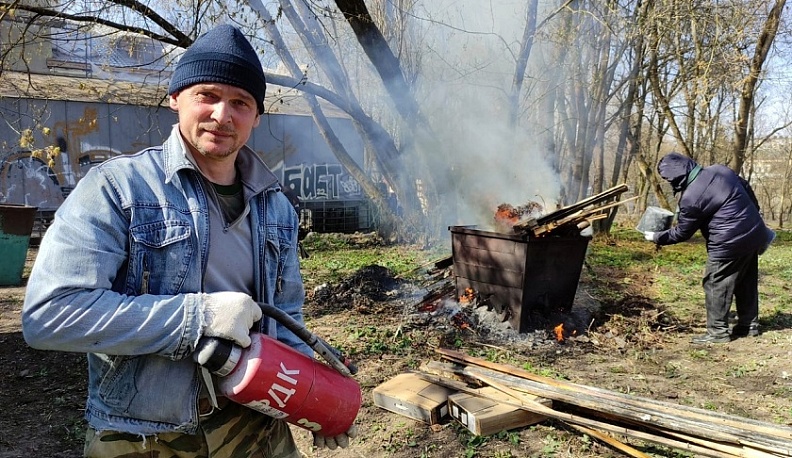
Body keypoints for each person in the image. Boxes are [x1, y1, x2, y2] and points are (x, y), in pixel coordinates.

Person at [22, 24, 356, 457]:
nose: (223, 115)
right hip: (143, 437)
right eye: (208, 95)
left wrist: (312, 402)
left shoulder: (277, 207)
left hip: (256, 428)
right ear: (176, 97)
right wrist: (198, 317)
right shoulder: (116, 189)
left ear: (256, 117)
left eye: (241, 103)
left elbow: (286, 321)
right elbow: (51, 314)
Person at [644, 152, 775, 344]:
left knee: (715, 283)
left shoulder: (691, 197)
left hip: (728, 244)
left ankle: (718, 332)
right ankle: (749, 326)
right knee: (745, 280)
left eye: (667, 179)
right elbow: (747, 188)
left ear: (675, 177)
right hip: (755, 233)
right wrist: (753, 216)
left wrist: (656, 237)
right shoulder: (720, 170)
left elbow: (681, 233)